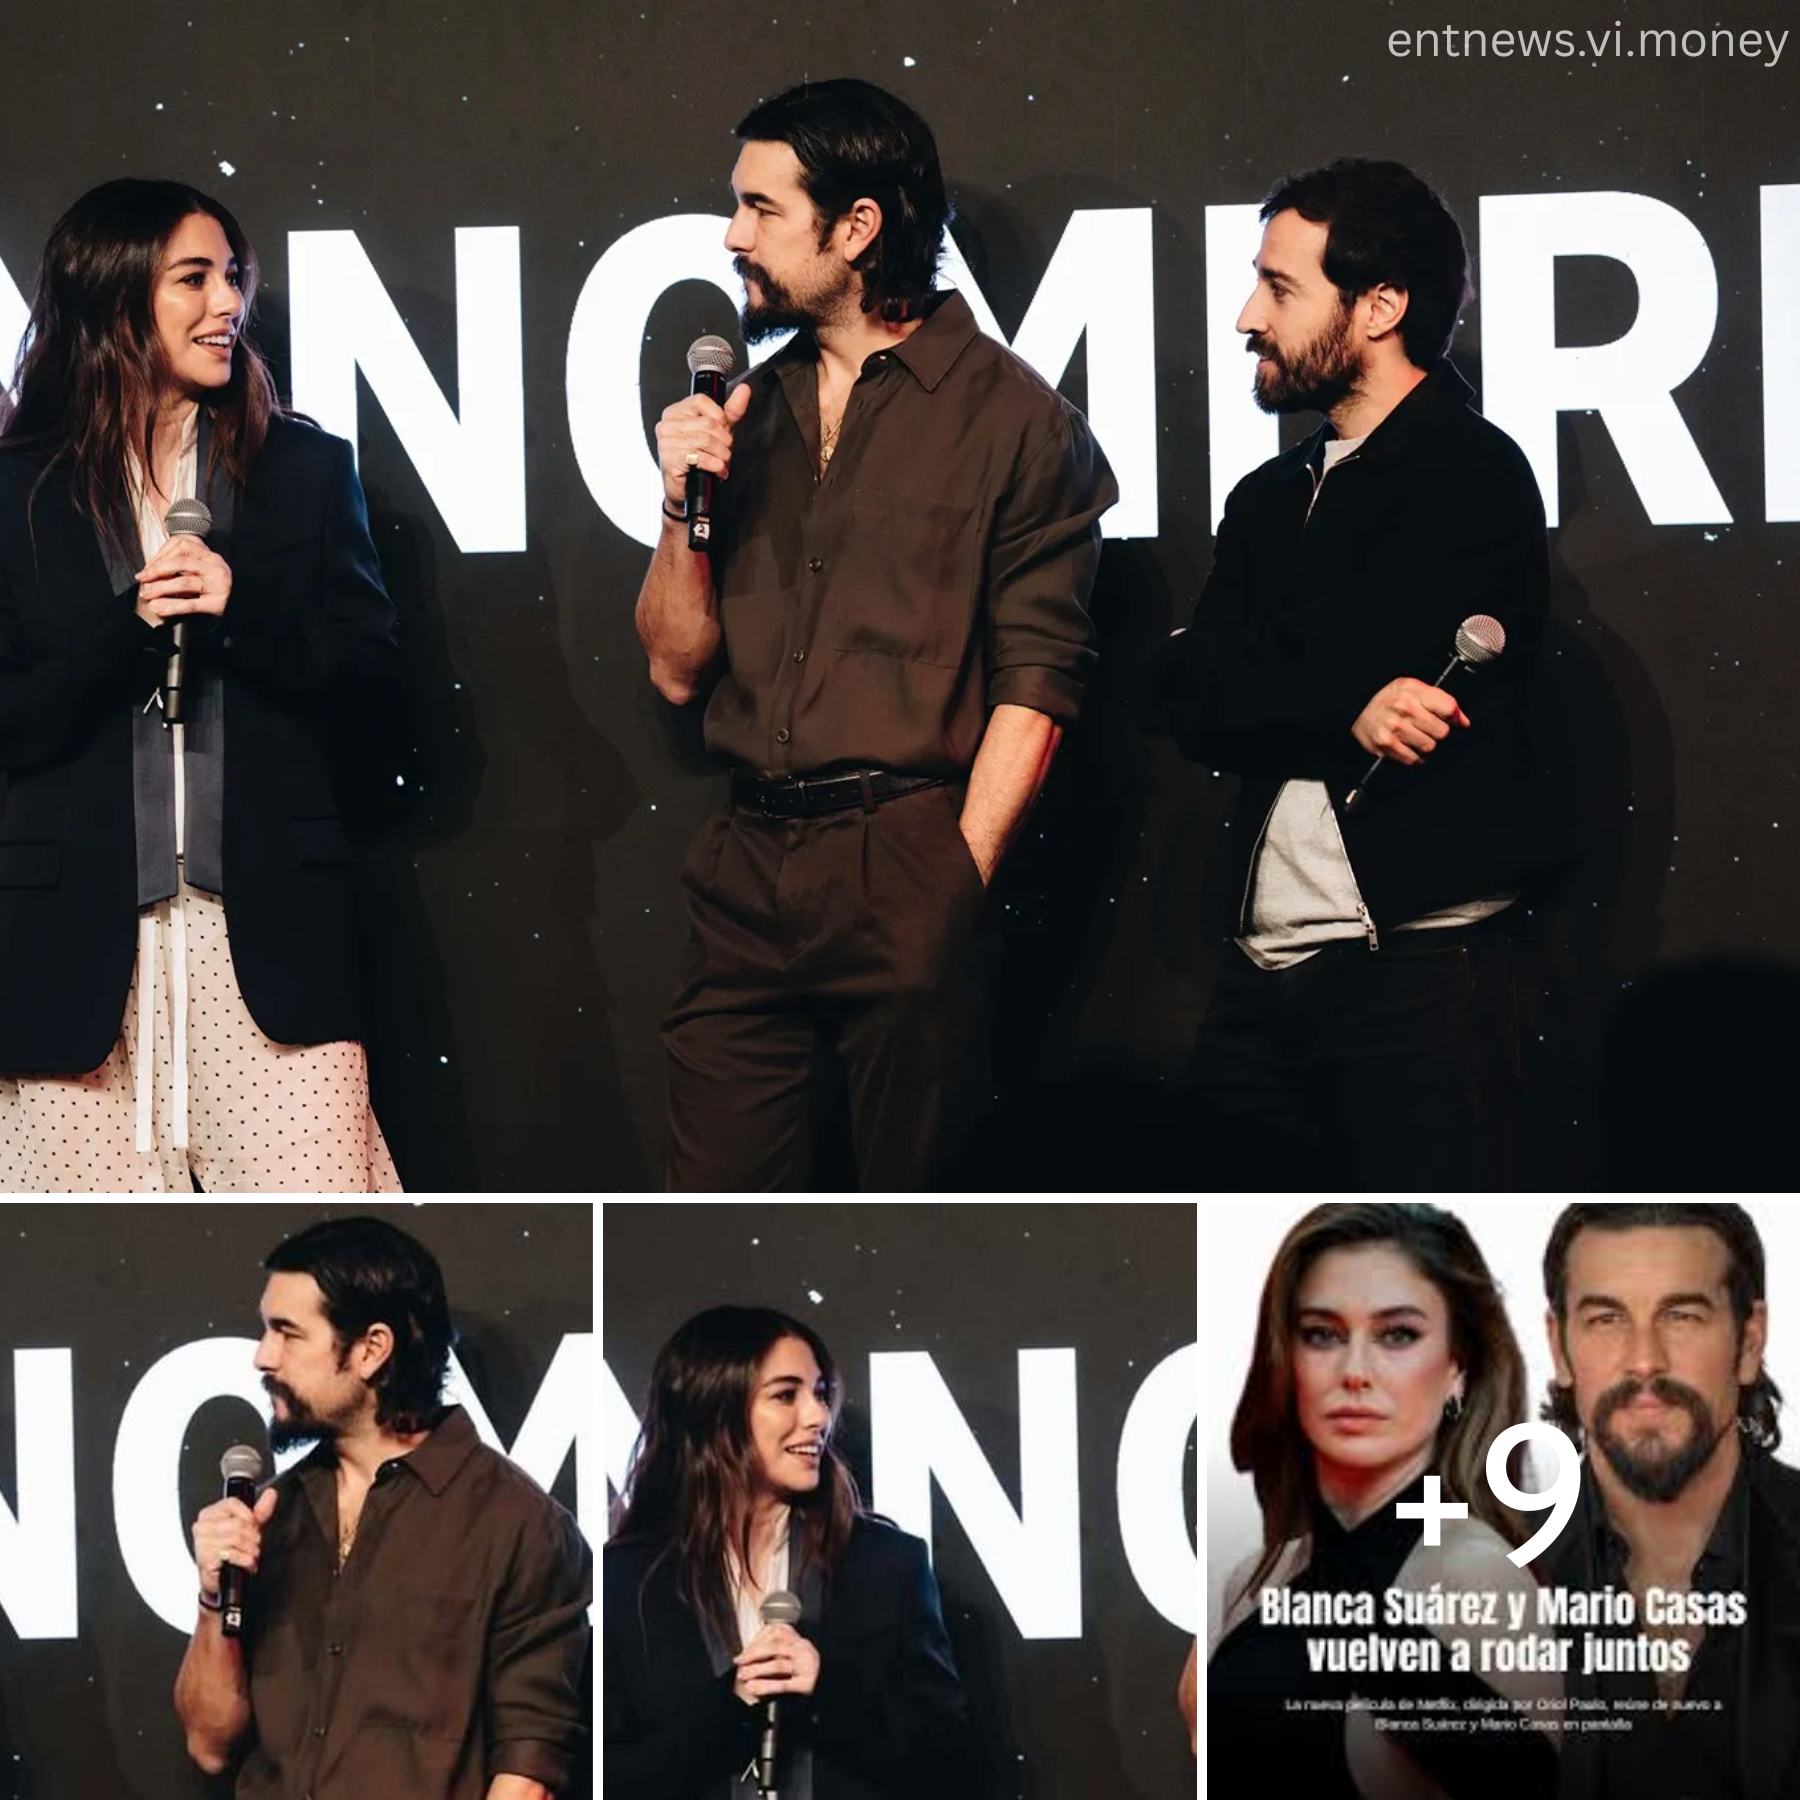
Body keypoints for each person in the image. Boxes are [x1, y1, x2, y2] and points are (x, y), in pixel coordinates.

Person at [635, 79, 1116, 1191]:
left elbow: (1040, 683)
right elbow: (675, 666)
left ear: (856, 227)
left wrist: (952, 882)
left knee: (920, 1211)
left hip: (907, 853)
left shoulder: (1015, 420)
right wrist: (676, 507)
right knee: (709, 1210)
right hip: (747, 866)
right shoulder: (746, 412)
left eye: (761, 208)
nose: (732, 236)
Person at [1151, 158, 1566, 1192]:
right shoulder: (1267, 496)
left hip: (1420, 982)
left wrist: (1273, 684)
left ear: (1380, 307)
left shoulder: (1473, 473)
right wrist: (1343, 704)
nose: (1247, 318)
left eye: (1279, 288)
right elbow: (1189, 696)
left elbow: (1375, 684)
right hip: (1262, 979)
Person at [0, 178, 402, 1192]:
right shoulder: (15, 492)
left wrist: (242, 613)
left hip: (270, 952)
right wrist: (127, 627)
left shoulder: (305, 471)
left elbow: (373, 692)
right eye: (193, 279)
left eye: (232, 277)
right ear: (113, 293)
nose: (228, 304)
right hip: (74, 959)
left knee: (313, 1228)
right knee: (89, 1252)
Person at [173, 1215, 591, 1798]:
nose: (263, 1357)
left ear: (372, 1349)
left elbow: (527, 1774)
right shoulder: (275, 1512)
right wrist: (214, 1599)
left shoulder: (518, 1524)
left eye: (287, 1333)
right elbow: (209, 1743)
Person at [1211, 1203, 1558, 1800]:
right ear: (1287, 1358)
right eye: (1322, 1334)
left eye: (1397, 1335)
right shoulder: (1253, 1582)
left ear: (1458, 1368)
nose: (1354, 1372)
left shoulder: (1473, 1576)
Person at [604, 1305, 973, 1798]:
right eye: (785, 1395)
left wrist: (827, 1693)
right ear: (714, 1409)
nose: (818, 1416)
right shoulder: (627, 1581)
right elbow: (604, 1778)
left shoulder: (885, 1565)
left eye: (819, 1394)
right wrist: (731, 1705)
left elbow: (949, 1759)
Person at [1535, 1203, 1800, 1800]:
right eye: (1606, 1319)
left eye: (1682, 1315)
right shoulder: (1487, 1566)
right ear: (1559, 1346)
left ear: (1749, 1340)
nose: (1645, 1360)